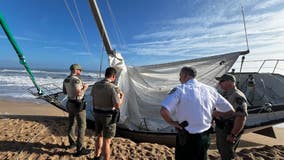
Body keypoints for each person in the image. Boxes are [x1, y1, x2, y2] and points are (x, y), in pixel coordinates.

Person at [160, 66, 235, 160]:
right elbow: (231, 111)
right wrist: (214, 114)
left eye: (180, 76)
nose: (179, 79)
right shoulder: (210, 90)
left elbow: (163, 111)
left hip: (186, 137)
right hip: (205, 137)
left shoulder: (180, 89)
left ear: (185, 75)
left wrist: (172, 122)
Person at [91, 67, 124, 160]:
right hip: (108, 116)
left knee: (98, 136)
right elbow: (117, 105)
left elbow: (93, 99)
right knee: (107, 140)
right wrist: (122, 97)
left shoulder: (96, 85)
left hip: (97, 114)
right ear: (113, 76)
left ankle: (96, 156)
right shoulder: (113, 87)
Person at [214, 74, 248, 160]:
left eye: (221, 81)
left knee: (227, 154)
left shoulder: (237, 96)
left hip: (229, 129)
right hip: (222, 127)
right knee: (222, 150)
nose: (219, 84)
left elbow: (241, 117)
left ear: (230, 82)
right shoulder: (225, 93)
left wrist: (233, 134)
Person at [63, 64, 89, 157]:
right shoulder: (77, 80)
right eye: (80, 70)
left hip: (70, 103)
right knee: (82, 126)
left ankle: (72, 143)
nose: (81, 72)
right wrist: (85, 88)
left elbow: (65, 92)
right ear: (76, 70)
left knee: (71, 124)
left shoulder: (66, 79)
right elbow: (79, 92)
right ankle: (80, 148)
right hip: (78, 104)